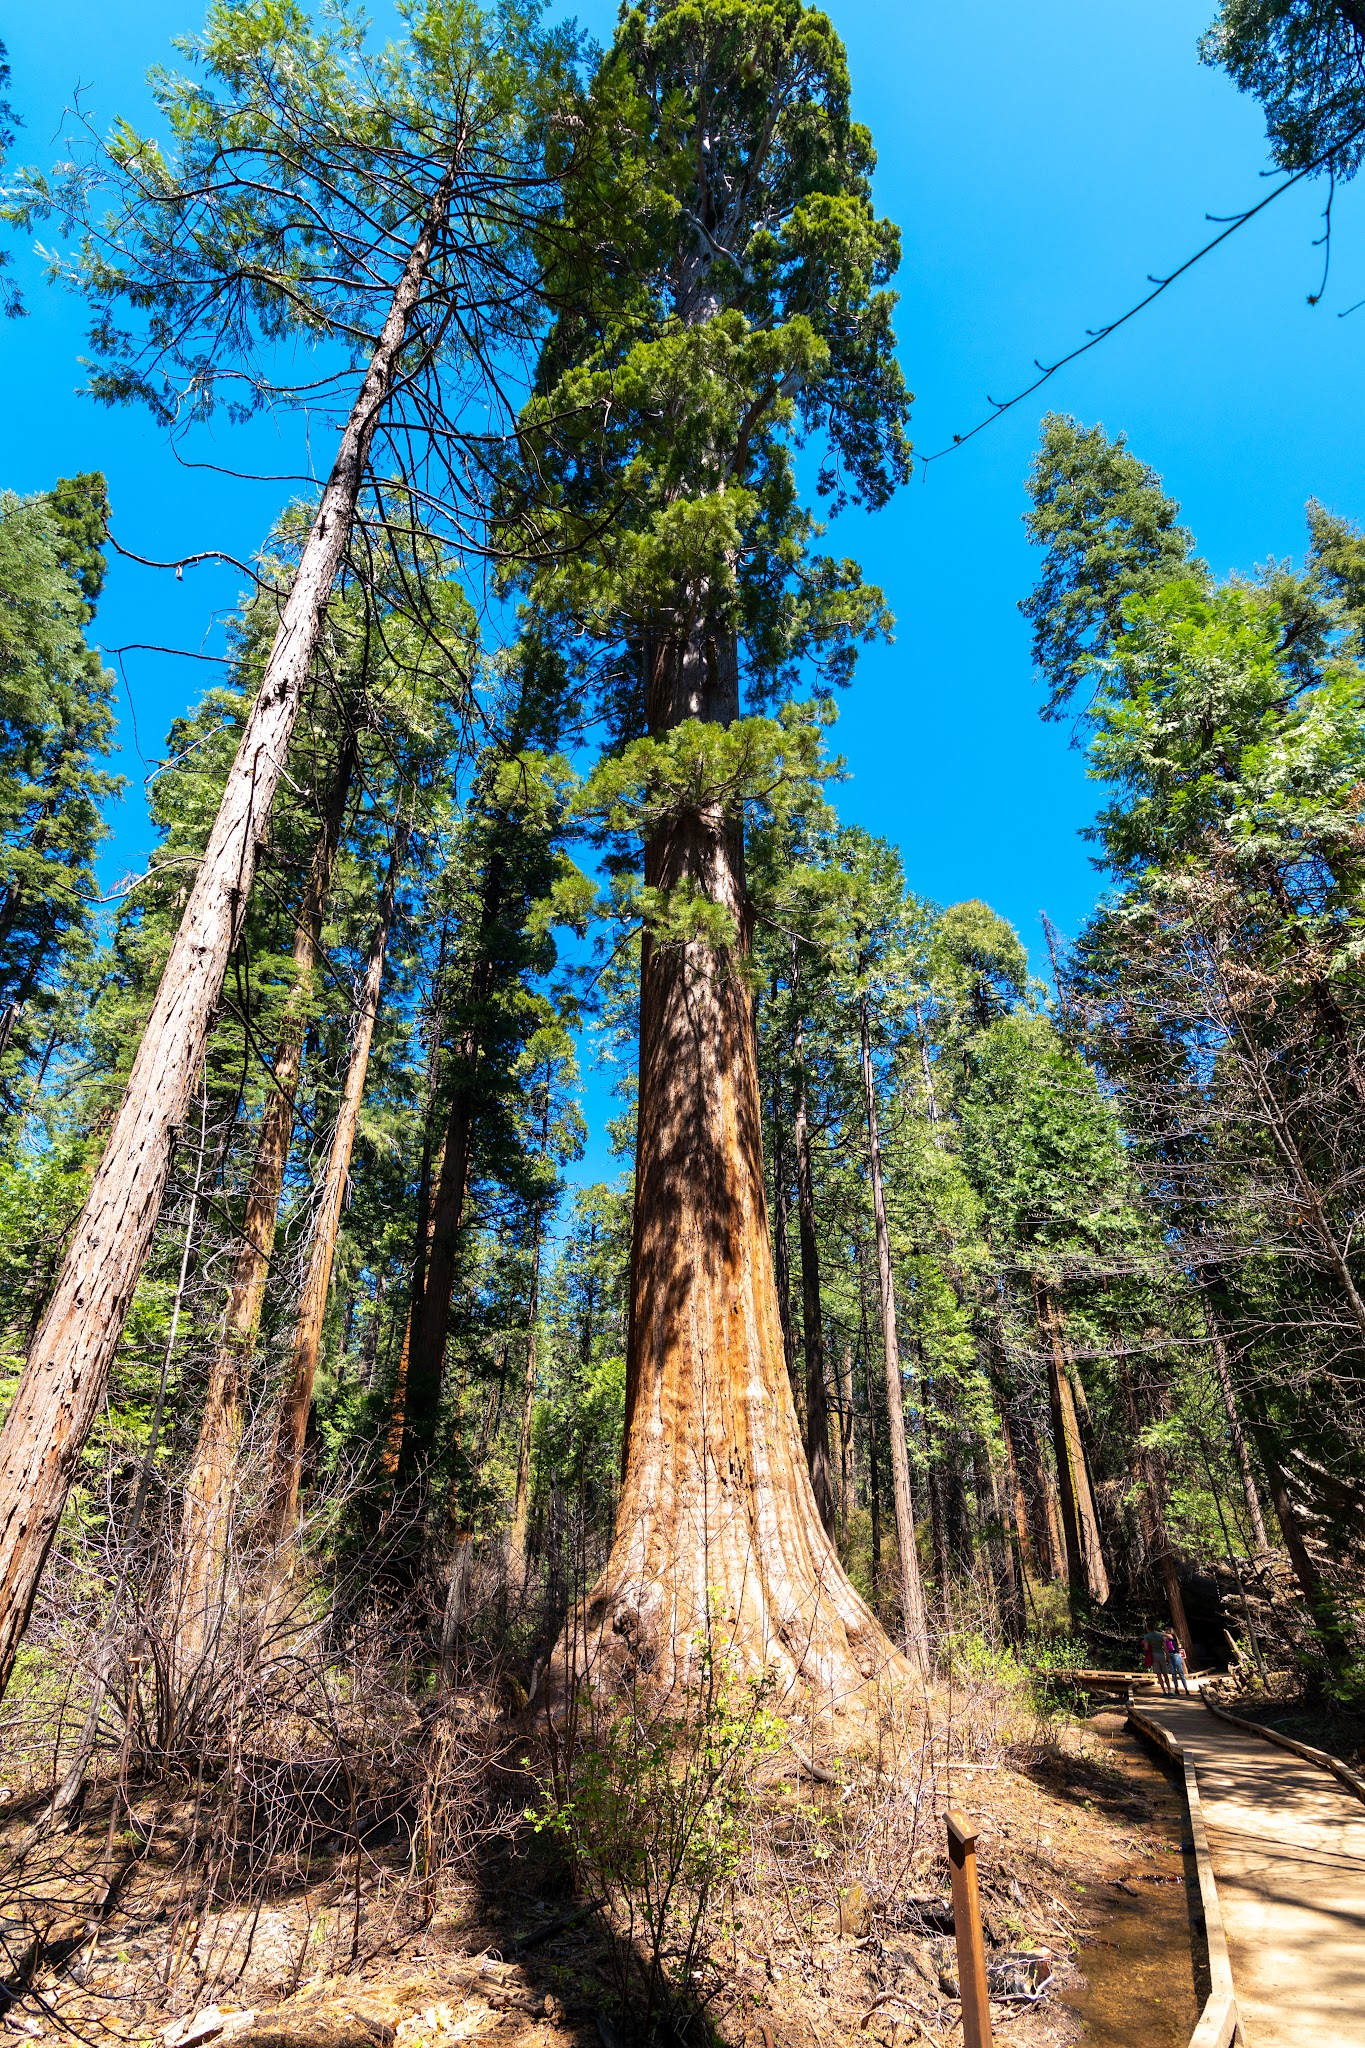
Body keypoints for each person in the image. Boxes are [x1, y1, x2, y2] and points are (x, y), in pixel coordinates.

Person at [1141, 1623, 1171, 1694]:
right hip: (1161, 1654)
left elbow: (1146, 1647)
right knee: (1165, 1674)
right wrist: (1168, 1657)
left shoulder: (1147, 1636)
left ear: (1147, 1628)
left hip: (1153, 1655)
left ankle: (1163, 1691)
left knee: (1159, 1674)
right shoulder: (1160, 1635)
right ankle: (1169, 1690)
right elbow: (1165, 1647)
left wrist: (1144, 1643)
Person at [1166, 1630, 1192, 1695]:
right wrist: (1167, 1657)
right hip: (1170, 1655)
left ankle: (1186, 1688)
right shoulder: (1166, 1640)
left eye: (1167, 1630)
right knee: (1173, 1673)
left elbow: (1170, 1637)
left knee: (1180, 1672)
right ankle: (1176, 1688)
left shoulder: (1173, 1637)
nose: (1166, 1632)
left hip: (1176, 1655)